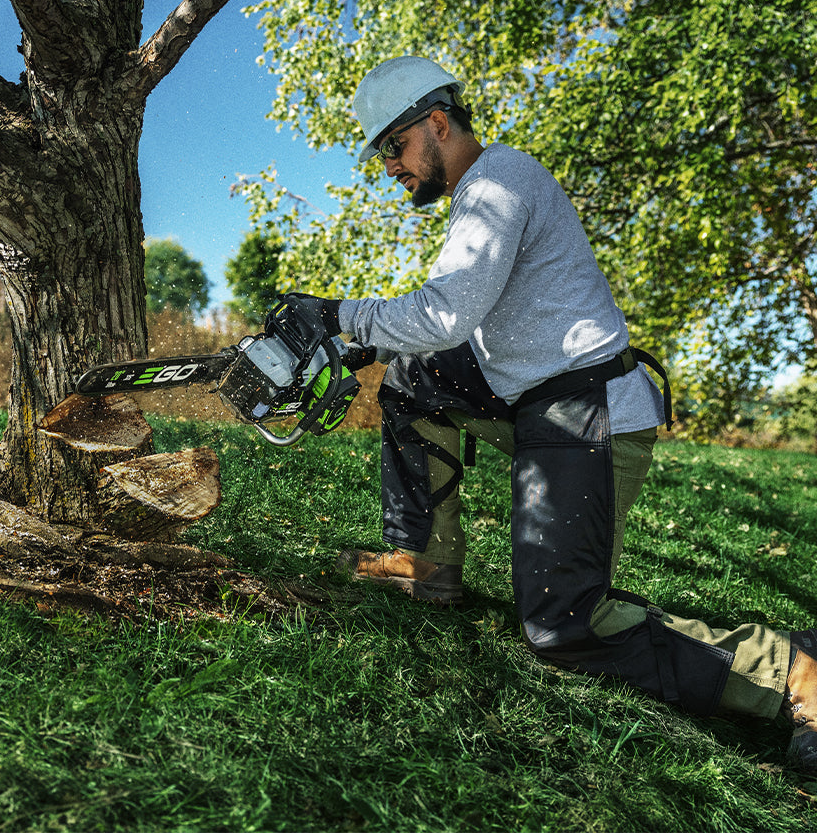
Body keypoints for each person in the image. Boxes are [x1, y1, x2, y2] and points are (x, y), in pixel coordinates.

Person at [288, 55, 817, 773]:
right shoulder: (488, 190)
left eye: (392, 146)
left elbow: (445, 311)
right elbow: (477, 328)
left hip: (590, 416)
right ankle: (423, 561)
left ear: (436, 123)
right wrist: (372, 345)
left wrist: (336, 315)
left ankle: (789, 670)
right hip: (542, 400)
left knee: (562, 626)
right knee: (412, 380)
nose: (388, 166)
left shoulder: (496, 185)